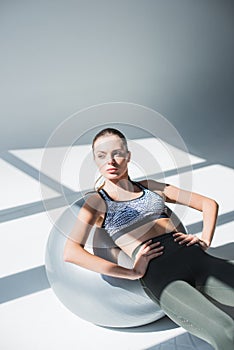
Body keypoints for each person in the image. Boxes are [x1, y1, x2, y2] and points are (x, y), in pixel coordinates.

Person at [64, 127, 234, 350]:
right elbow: (71, 252)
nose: (111, 161)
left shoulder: (151, 187)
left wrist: (204, 239)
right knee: (227, 332)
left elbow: (208, 204)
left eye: (117, 153)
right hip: (162, 277)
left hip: (198, 259)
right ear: (95, 161)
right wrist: (131, 272)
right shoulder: (96, 202)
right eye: (102, 155)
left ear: (128, 156)